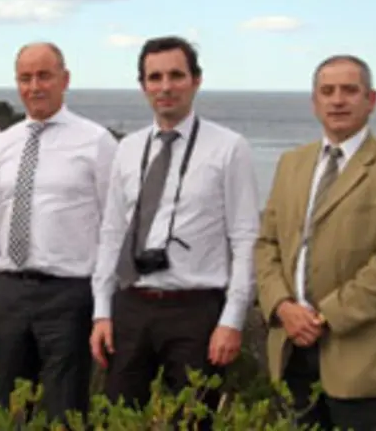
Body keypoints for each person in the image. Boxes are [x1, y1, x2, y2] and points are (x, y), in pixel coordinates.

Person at [254, 54, 376, 430]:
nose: (338, 100)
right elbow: (267, 244)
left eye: (350, 90)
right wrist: (283, 307)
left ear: (371, 99)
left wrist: (324, 317)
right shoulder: (291, 163)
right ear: (314, 102)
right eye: (327, 91)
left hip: (366, 362)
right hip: (291, 354)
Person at [89, 36, 260, 427]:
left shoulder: (229, 148)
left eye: (176, 75)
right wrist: (102, 312)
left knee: (195, 419)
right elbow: (112, 232)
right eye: (155, 77)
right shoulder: (128, 149)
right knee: (117, 418)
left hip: (196, 309)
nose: (165, 86)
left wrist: (232, 319)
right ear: (143, 85)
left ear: (195, 80)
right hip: (131, 304)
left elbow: (245, 236)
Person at [0, 42, 118, 422]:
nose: (35, 86)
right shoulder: (5, 142)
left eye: (44, 75)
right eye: (25, 78)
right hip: (10, 292)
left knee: (66, 409)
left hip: (69, 295)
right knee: (10, 408)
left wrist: (103, 307)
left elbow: (114, 228)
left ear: (65, 80)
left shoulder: (97, 142)